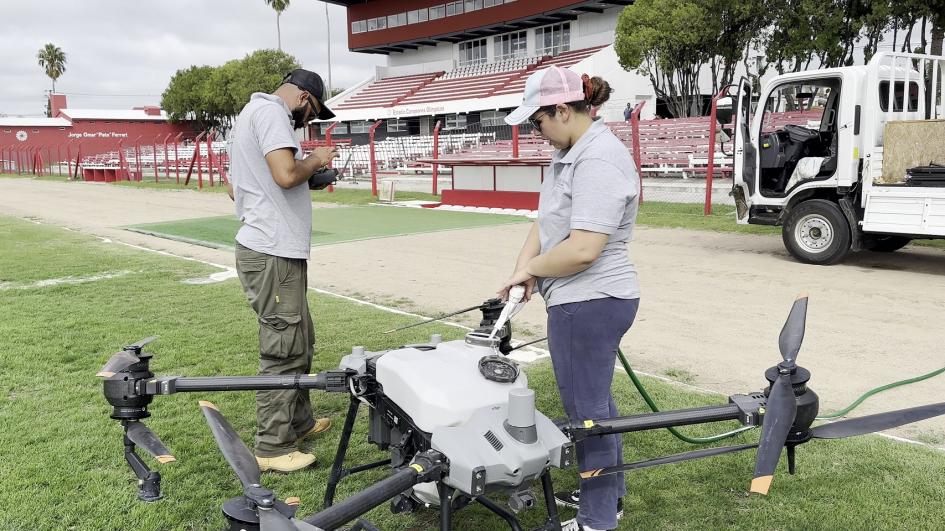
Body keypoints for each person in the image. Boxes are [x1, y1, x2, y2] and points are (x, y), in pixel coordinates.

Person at [498, 66, 641, 531]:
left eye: (538, 121)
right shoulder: (571, 153)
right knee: (595, 404)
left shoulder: (597, 159)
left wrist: (532, 271)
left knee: (587, 417)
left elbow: (582, 250)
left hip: (591, 301)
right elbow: (544, 223)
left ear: (563, 110)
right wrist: (524, 272)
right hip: (579, 299)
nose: (536, 132)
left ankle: (596, 520)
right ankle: (608, 494)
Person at [227, 69, 339, 473]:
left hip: (275, 251)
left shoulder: (247, 115)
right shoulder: (272, 113)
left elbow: (239, 186)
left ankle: (299, 423)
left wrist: (313, 175)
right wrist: (316, 159)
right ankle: (272, 447)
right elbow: (286, 174)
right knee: (283, 348)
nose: (306, 123)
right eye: (309, 116)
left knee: (300, 339)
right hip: (271, 251)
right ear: (304, 99)